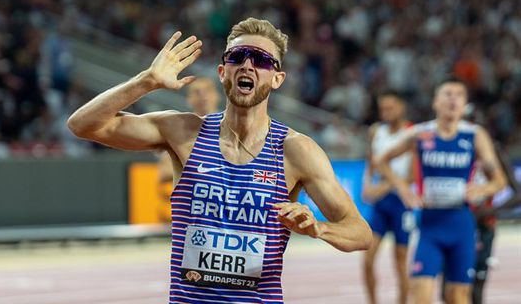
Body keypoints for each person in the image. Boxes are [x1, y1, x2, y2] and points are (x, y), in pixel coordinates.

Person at [67, 17, 372, 303]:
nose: (248, 65)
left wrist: (317, 229)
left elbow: (360, 232)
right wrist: (146, 81)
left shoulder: (295, 150)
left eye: (262, 60)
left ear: (277, 78)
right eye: (237, 56)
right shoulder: (183, 131)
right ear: (222, 71)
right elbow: (83, 125)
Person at [376, 77, 506, 304]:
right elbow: (382, 160)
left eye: (459, 95)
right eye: (448, 94)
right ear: (435, 101)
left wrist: (482, 189)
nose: (453, 99)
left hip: (462, 226)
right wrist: (403, 189)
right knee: (421, 296)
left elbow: (500, 181)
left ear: (465, 103)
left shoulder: (474, 135)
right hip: (429, 226)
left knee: (458, 297)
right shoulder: (421, 134)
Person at [362, 90, 413, 304]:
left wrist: (384, 186)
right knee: (367, 258)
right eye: (383, 108)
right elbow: (371, 163)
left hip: (401, 202)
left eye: (390, 108)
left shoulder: (412, 133)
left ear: (401, 108)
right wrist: (367, 185)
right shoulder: (376, 131)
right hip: (381, 205)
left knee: (400, 261)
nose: (386, 113)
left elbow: (412, 175)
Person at [156, 78, 220, 223]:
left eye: (207, 91)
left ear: (216, 96)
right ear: (189, 99)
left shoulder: (233, 128)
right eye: (197, 93)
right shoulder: (179, 132)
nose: (203, 96)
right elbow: (163, 174)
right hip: (194, 213)